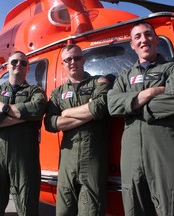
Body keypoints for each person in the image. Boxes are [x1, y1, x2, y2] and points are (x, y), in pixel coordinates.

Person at [107, 21, 174, 216]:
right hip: (131, 151)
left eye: (148, 35)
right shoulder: (123, 77)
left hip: (165, 146)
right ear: (132, 44)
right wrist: (150, 93)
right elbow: (112, 105)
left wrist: (132, 106)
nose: (143, 40)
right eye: (137, 37)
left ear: (156, 39)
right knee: (133, 204)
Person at [44, 44, 111, 216]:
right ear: (63, 64)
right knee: (64, 209)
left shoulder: (99, 82)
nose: (72, 62)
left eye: (76, 58)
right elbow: (50, 123)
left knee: (91, 210)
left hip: (93, 155)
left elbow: (99, 108)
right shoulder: (58, 92)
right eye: (68, 59)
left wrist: (65, 113)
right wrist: (87, 112)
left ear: (83, 59)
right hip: (67, 156)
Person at [0, 50, 47, 216]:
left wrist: (4, 109)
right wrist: (23, 117)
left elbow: (38, 109)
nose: (18, 65)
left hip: (24, 158)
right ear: (8, 66)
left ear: (28, 69)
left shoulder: (35, 92)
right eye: (14, 61)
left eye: (23, 63)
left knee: (27, 206)